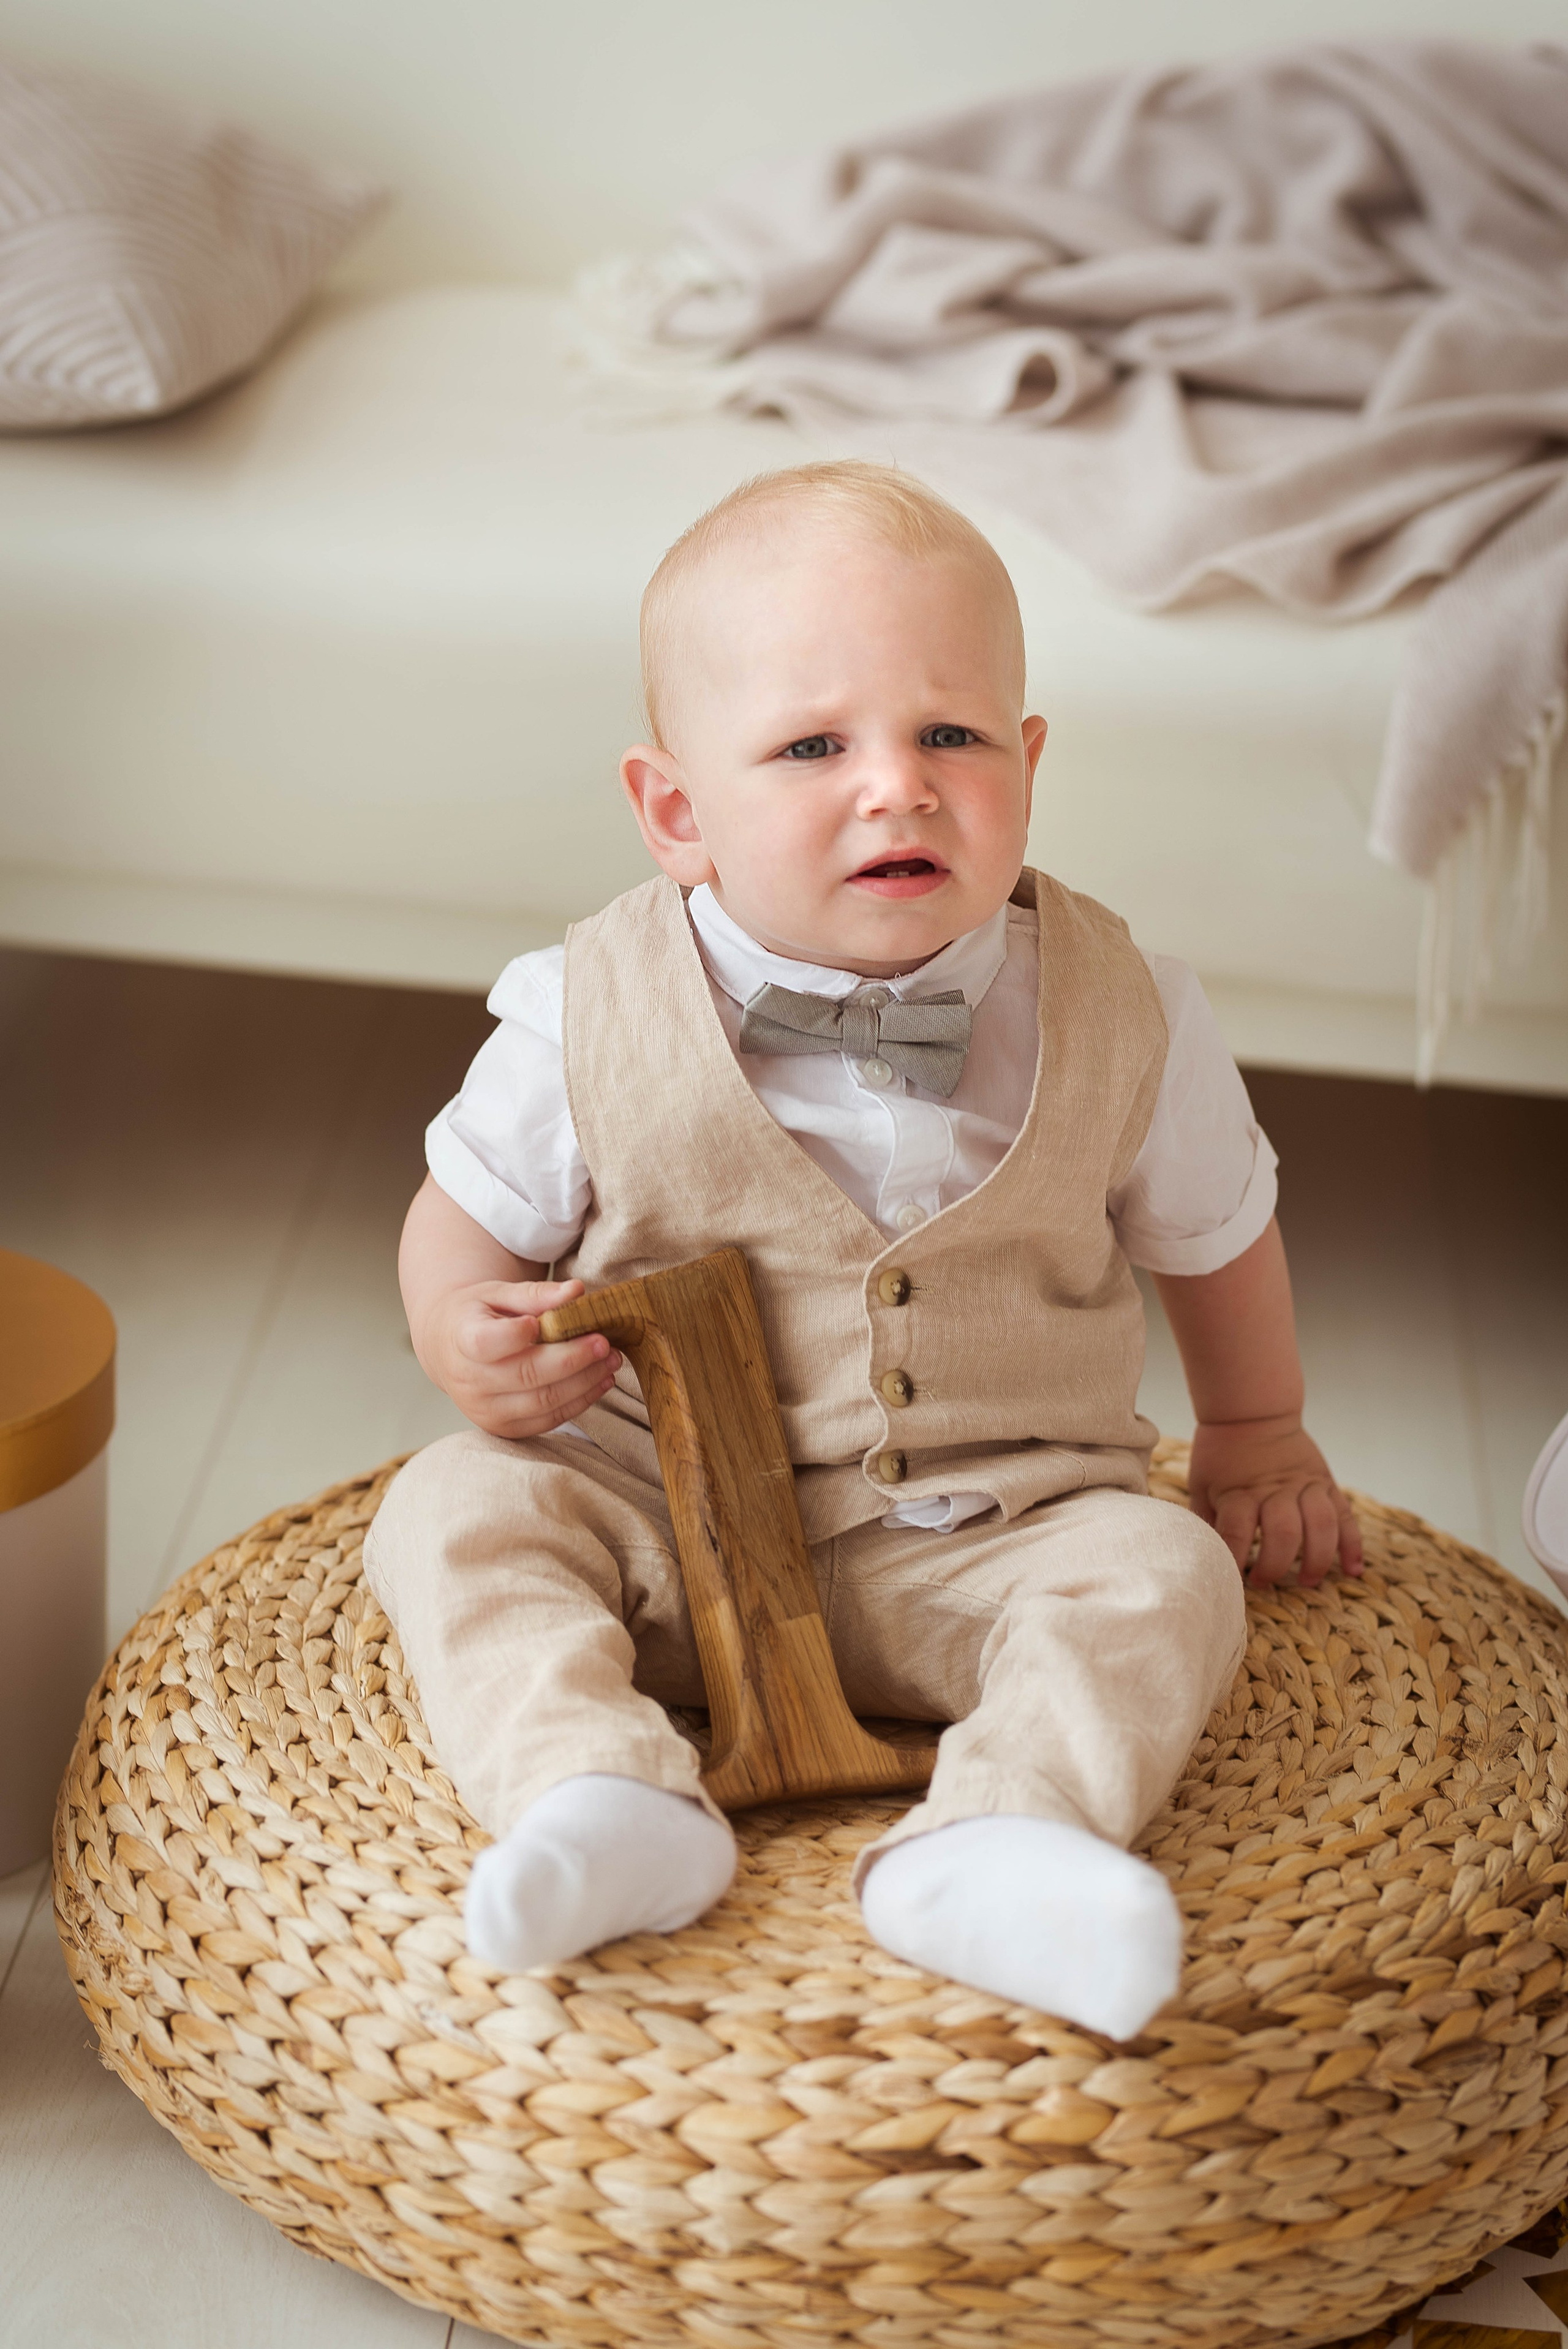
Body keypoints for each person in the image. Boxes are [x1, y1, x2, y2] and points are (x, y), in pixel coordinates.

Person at [369, 461, 1362, 2042]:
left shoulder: (1130, 1007)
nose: (897, 785)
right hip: (664, 1527)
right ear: (678, 810)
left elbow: (1219, 1238)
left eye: (951, 734)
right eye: (815, 746)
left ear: (1027, 766)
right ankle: (595, 1793)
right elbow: (458, 1224)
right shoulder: (582, 1008)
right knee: (450, 1509)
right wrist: (461, 1332)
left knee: (1165, 1573)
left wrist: (1256, 1430)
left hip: (993, 1530)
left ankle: (1002, 1835)